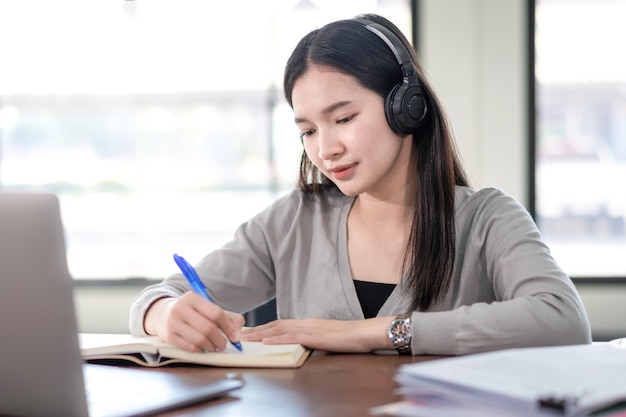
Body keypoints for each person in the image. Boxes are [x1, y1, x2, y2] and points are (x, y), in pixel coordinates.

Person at [129, 13, 591, 356]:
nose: (325, 149)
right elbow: (158, 298)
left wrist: (376, 331)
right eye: (308, 130)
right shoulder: (294, 220)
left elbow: (564, 320)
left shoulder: (487, 218)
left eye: (344, 118)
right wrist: (166, 315)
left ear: (405, 107)